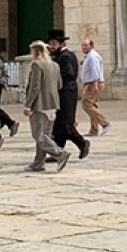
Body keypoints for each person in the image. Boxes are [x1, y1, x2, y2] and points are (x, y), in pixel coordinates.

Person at [23, 41, 71, 172]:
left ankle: (60, 154)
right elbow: (59, 84)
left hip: (40, 103)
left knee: (38, 134)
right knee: (45, 134)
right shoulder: (54, 65)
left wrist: (28, 104)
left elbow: (35, 86)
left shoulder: (36, 65)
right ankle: (38, 163)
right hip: (53, 103)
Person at [48, 30, 90, 160]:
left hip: (66, 93)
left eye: (54, 44)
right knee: (58, 124)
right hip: (62, 92)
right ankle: (58, 153)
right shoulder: (59, 56)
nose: (52, 47)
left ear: (62, 43)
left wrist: (55, 81)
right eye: (51, 44)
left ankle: (82, 143)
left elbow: (68, 75)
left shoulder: (66, 56)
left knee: (65, 123)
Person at [79, 39, 110, 136]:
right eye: (82, 45)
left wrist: (95, 85)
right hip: (90, 83)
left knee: (86, 104)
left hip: (92, 83)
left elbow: (95, 71)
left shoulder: (93, 57)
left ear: (91, 45)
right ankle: (94, 129)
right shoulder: (89, 56)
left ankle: (105, 123)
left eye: (85, 45)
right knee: (93, 105)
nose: (83, 47)